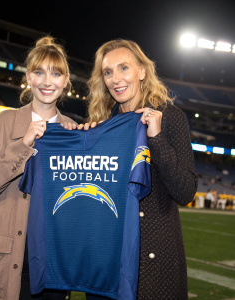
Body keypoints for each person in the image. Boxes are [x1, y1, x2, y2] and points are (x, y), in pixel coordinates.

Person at [78, 39, 198, 299]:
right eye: (108, 72)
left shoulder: (169, 117)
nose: (115, 79)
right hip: (109, 260)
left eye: (124, 68)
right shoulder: (102, 126)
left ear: (142, 71)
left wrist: (155, 139)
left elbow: (186, 191)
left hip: (155, 262)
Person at [0, 36, 77, 300]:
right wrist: (23, 144)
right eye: (39, 72)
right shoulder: (4, 122)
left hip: (54, 265)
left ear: (65, 81)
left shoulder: (73, 131)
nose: (47, 82)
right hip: (9, 263)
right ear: (28, 77)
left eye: (56, 74)